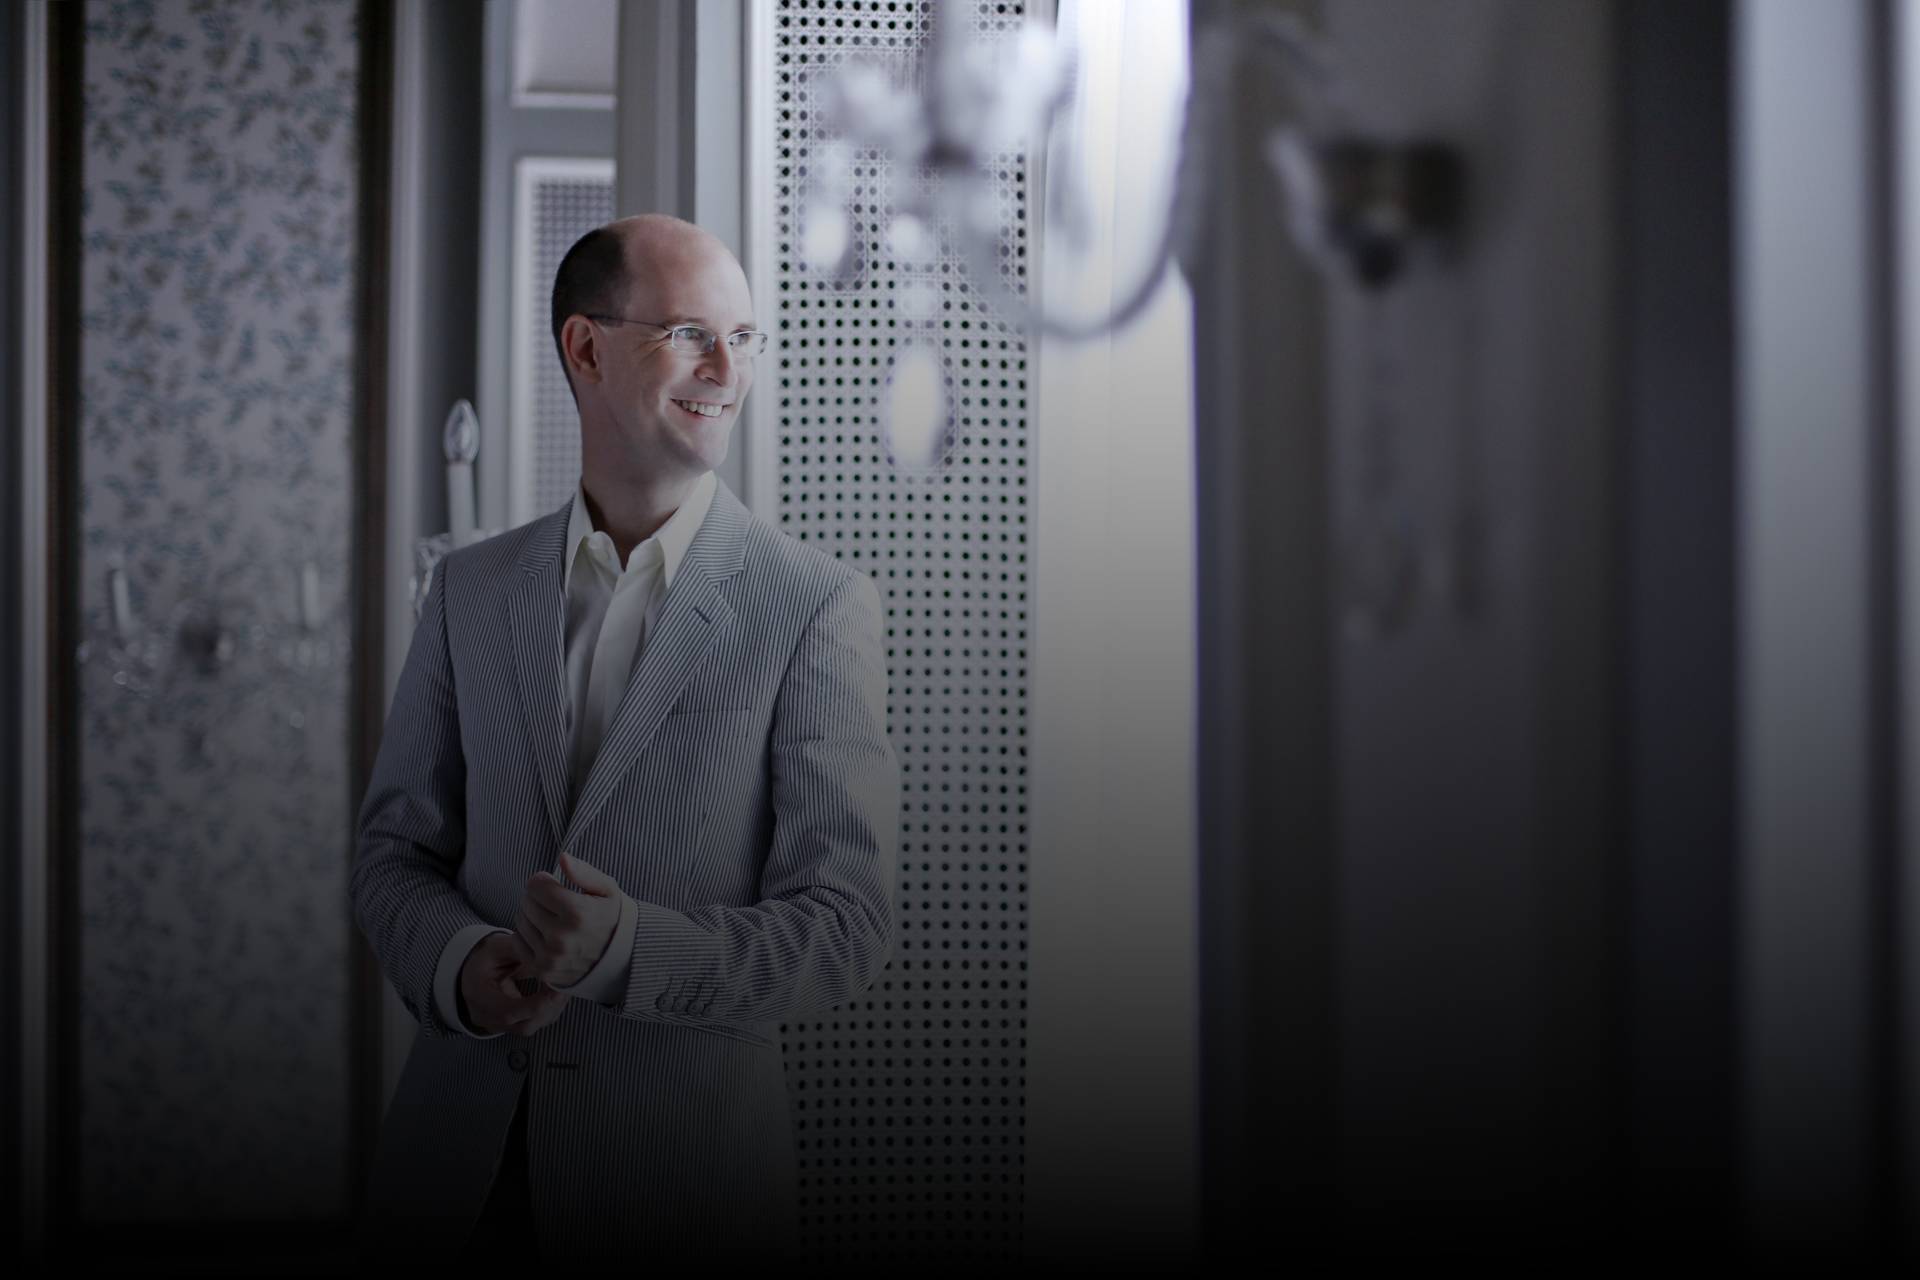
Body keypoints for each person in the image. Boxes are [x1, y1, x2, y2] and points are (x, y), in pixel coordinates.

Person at [349, 214, 899, 1265]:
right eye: (691, 333)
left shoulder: (817, 605)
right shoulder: (469, 589)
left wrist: (628, 952)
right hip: (451, 1180)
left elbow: (845, 927)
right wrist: (460, 964)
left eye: (745, 337)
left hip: (681, 1192)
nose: (727, 370)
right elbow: (390, 854)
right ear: (586, 347)